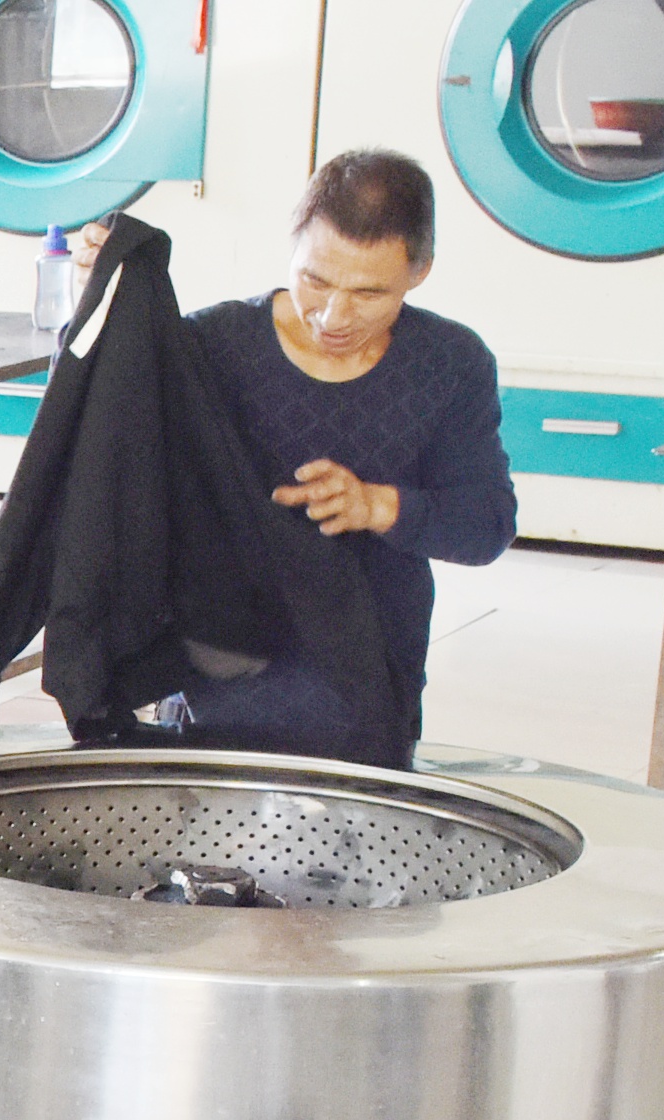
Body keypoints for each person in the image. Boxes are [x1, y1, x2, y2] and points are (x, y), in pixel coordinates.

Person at [154, 150, 518, 759]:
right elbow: (105, 454)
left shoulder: (450, 362)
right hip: (215, 670)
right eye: (315, 280)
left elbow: (487, 526)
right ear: (293, 247)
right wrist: (95, 312)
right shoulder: (211, 345)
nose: (332, 316)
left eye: (369, 293)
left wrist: (376, 506)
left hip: (373, 673)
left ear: (420, 272)